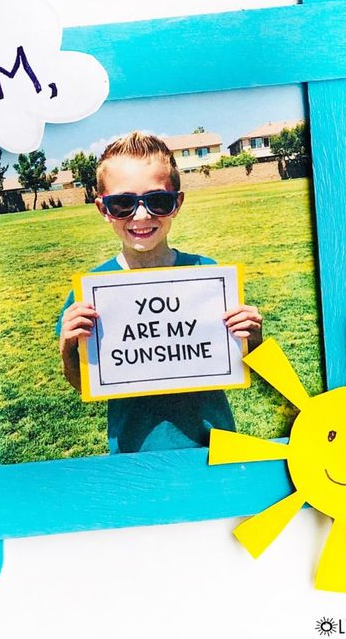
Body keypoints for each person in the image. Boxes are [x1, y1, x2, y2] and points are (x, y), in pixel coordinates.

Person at [58, 131, 262, 454]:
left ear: (177, 203)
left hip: (212, 447)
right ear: (103, 208)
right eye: (123, 203)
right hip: (134, 454)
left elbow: (243, 362)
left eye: (158, 201)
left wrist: (252, 336)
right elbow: (83, 383)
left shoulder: (205, 273)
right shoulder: (90, 294)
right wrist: (68, 346)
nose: (141, 216)